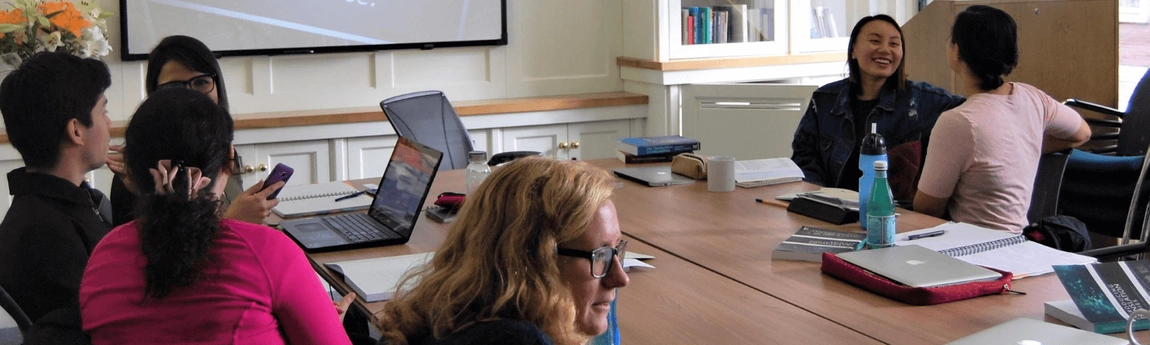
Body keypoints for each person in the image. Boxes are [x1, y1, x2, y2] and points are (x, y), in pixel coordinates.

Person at [80, 88, 352, 344]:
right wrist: (326, 324)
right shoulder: (269, 252)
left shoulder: (103, 258)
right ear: (228, 161)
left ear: (132, 169)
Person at [377, 157, 629, 345]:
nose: (620, 278)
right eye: (600, 256)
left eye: (616, 251)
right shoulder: (514, 340)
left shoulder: (453, 313)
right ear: (532, 260)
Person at [914, 5, 1092, 232]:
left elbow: (927, 210)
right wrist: (1024, 146)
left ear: (956, 52)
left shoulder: (958, 122)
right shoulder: (1033, 98)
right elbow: (1082, 133)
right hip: (1020, 241)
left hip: (971, 248)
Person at [107, 35, 280, 227]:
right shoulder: (137, 171)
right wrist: (234, 223)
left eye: (201, 82)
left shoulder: (223, 149)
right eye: (174, 87)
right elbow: (148, 243)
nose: (192, 96)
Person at [791, 14, 965, 202]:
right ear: (853, 49)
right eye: (875, 41)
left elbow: (974, 111)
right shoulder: (825, 100)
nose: (885, 50)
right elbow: (805, 157)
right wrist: (821, 199)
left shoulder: (924, 100)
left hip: (897, 211)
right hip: (833, 208)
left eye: (894, 44)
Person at [0, 52, 114, 323]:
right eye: (103, 112)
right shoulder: (43, 234)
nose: (110, 123)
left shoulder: (70, 202)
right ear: (76, 131)